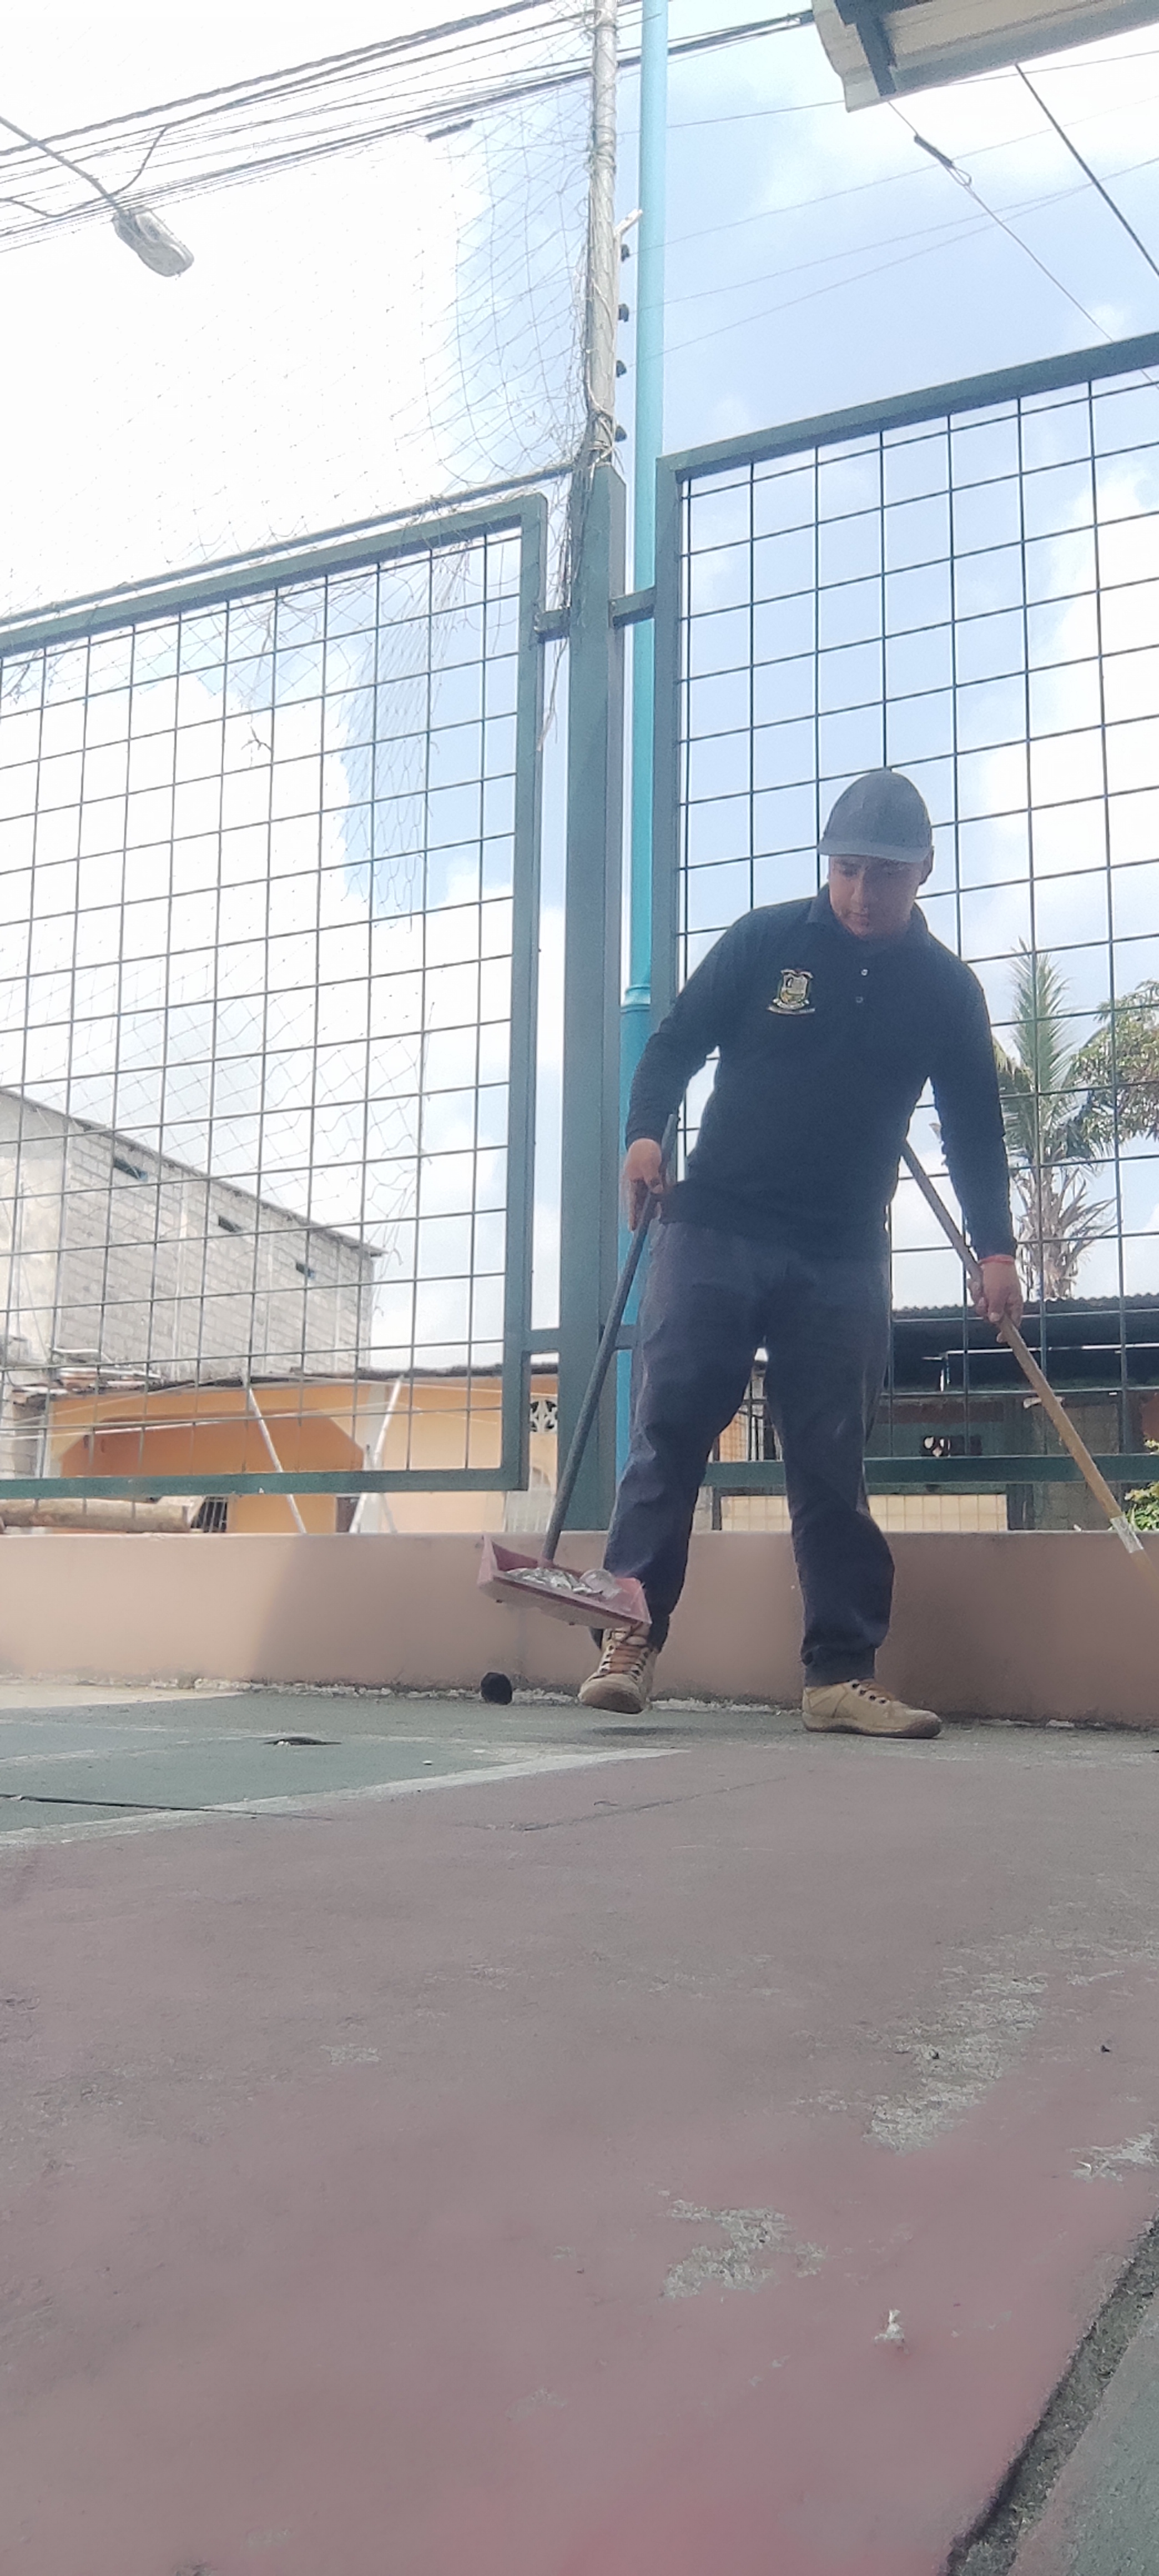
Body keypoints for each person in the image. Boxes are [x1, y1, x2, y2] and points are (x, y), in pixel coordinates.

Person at [580, 768, 1023, 1735]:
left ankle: (839, 1675)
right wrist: (645, 1134)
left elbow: (974, 1127)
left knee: (830, 1459)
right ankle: (630, 1638)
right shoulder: (766, 940)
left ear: (926, 870)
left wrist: (995, 1248)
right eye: (848, 869)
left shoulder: (947, 992)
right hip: (715, 1228)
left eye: (886, 875)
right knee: (670, 1432)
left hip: (842, 1252)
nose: (862, 893)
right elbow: (676, 1042)